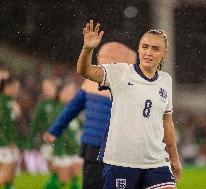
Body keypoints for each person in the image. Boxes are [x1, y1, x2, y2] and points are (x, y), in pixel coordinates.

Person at [77, 20, 182, 189]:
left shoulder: (165, 80)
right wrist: (87, 48)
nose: (148, 52)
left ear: (164, 53)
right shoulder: (120, 72)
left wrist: (174, 159)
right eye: (145, 46)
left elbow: (167, 122)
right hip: (121, 162)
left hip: (156, 161)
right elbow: (85, 70)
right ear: (139, 48)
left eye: (155, 49)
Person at [43, 41, 137, 189]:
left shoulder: (90, 84)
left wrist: (54, 130)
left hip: (92, 147)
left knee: (91, 183)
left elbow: (70, 110)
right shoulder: (127, 86)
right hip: (115, 148)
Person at [0, 71, 21, 189]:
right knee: (6, 174)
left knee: (12, 172)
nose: (17, 90)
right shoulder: (2, 101)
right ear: (8, 86)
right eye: (16, 87)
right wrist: (7, 141)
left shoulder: (9, 101)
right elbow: (2, 124)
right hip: (4, 143)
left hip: (10, 141)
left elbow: (12, 123)